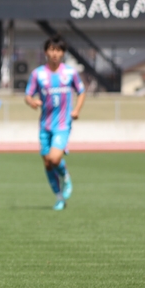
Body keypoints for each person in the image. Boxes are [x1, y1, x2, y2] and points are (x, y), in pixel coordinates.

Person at [25, 35, 86, 211]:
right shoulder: (38, 74)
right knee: (47, 163)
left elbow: (81, 91)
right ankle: (59, 197)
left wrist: (77, 110)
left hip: (62, 124)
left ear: (63, 53)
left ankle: (65, 175)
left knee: (54, 158)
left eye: (58, 50)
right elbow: (28, 95)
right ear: (46, 52)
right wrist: (32, 102)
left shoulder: (70, 73)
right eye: (52, 50)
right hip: (45, 125)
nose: (55, 54)